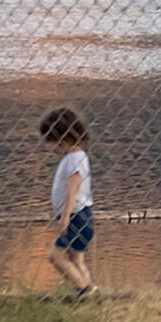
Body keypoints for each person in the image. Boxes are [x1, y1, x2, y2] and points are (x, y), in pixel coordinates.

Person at [40, 106, 96, 300]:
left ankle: (83, 289)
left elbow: (73, 189)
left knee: (55, 255)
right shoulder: (76, 158)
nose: (51, 148)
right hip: (82, 217)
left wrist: (65, 216)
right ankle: (89, 292)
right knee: (76, 259)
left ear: (65, 139)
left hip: (75, 217)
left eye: (52, 142)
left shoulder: (73, 160)